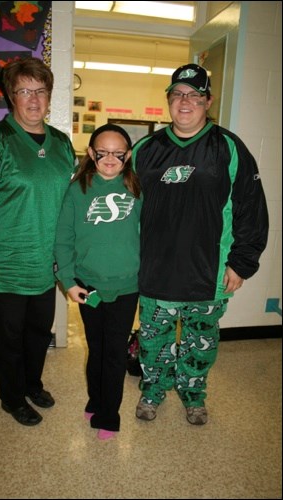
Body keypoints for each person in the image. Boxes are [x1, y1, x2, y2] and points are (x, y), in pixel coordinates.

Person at [132, 63, 269, 425]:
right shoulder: (145, 150)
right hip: (155, 271)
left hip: (208, 273)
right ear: (168, 100)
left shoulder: (228, 147)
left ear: (208, 101)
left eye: (194, 94)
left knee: (199, 345)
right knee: (153, 341)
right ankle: (153, 390)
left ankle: (194, 394)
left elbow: (252, 208)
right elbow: (127, 210)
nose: (185, 101)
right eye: (178, 94)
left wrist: (242, 262)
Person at [0, 57, 77, 426]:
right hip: (4, 264)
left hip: (44, 262)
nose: (34, 99)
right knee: (7, 340)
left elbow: (70, 205)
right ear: (10, 96)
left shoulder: (62, 145)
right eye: (24, 91)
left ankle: (32, 384)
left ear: (50, 96)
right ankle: (11, 397)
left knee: (39, 333)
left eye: (40, 91)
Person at [54, 124, 141, 440]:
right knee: (97, 348)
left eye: (118, 153)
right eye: (102, 152)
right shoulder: (77, 190)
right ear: (91, 153)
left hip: (127, 287)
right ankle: (96, 398)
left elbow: (150, 236)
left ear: (127, 155)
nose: (109, 158)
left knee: (114, 353)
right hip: (87, 286)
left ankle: (109, 416)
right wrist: (67, 280)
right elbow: (63, 238)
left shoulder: (137, 189)